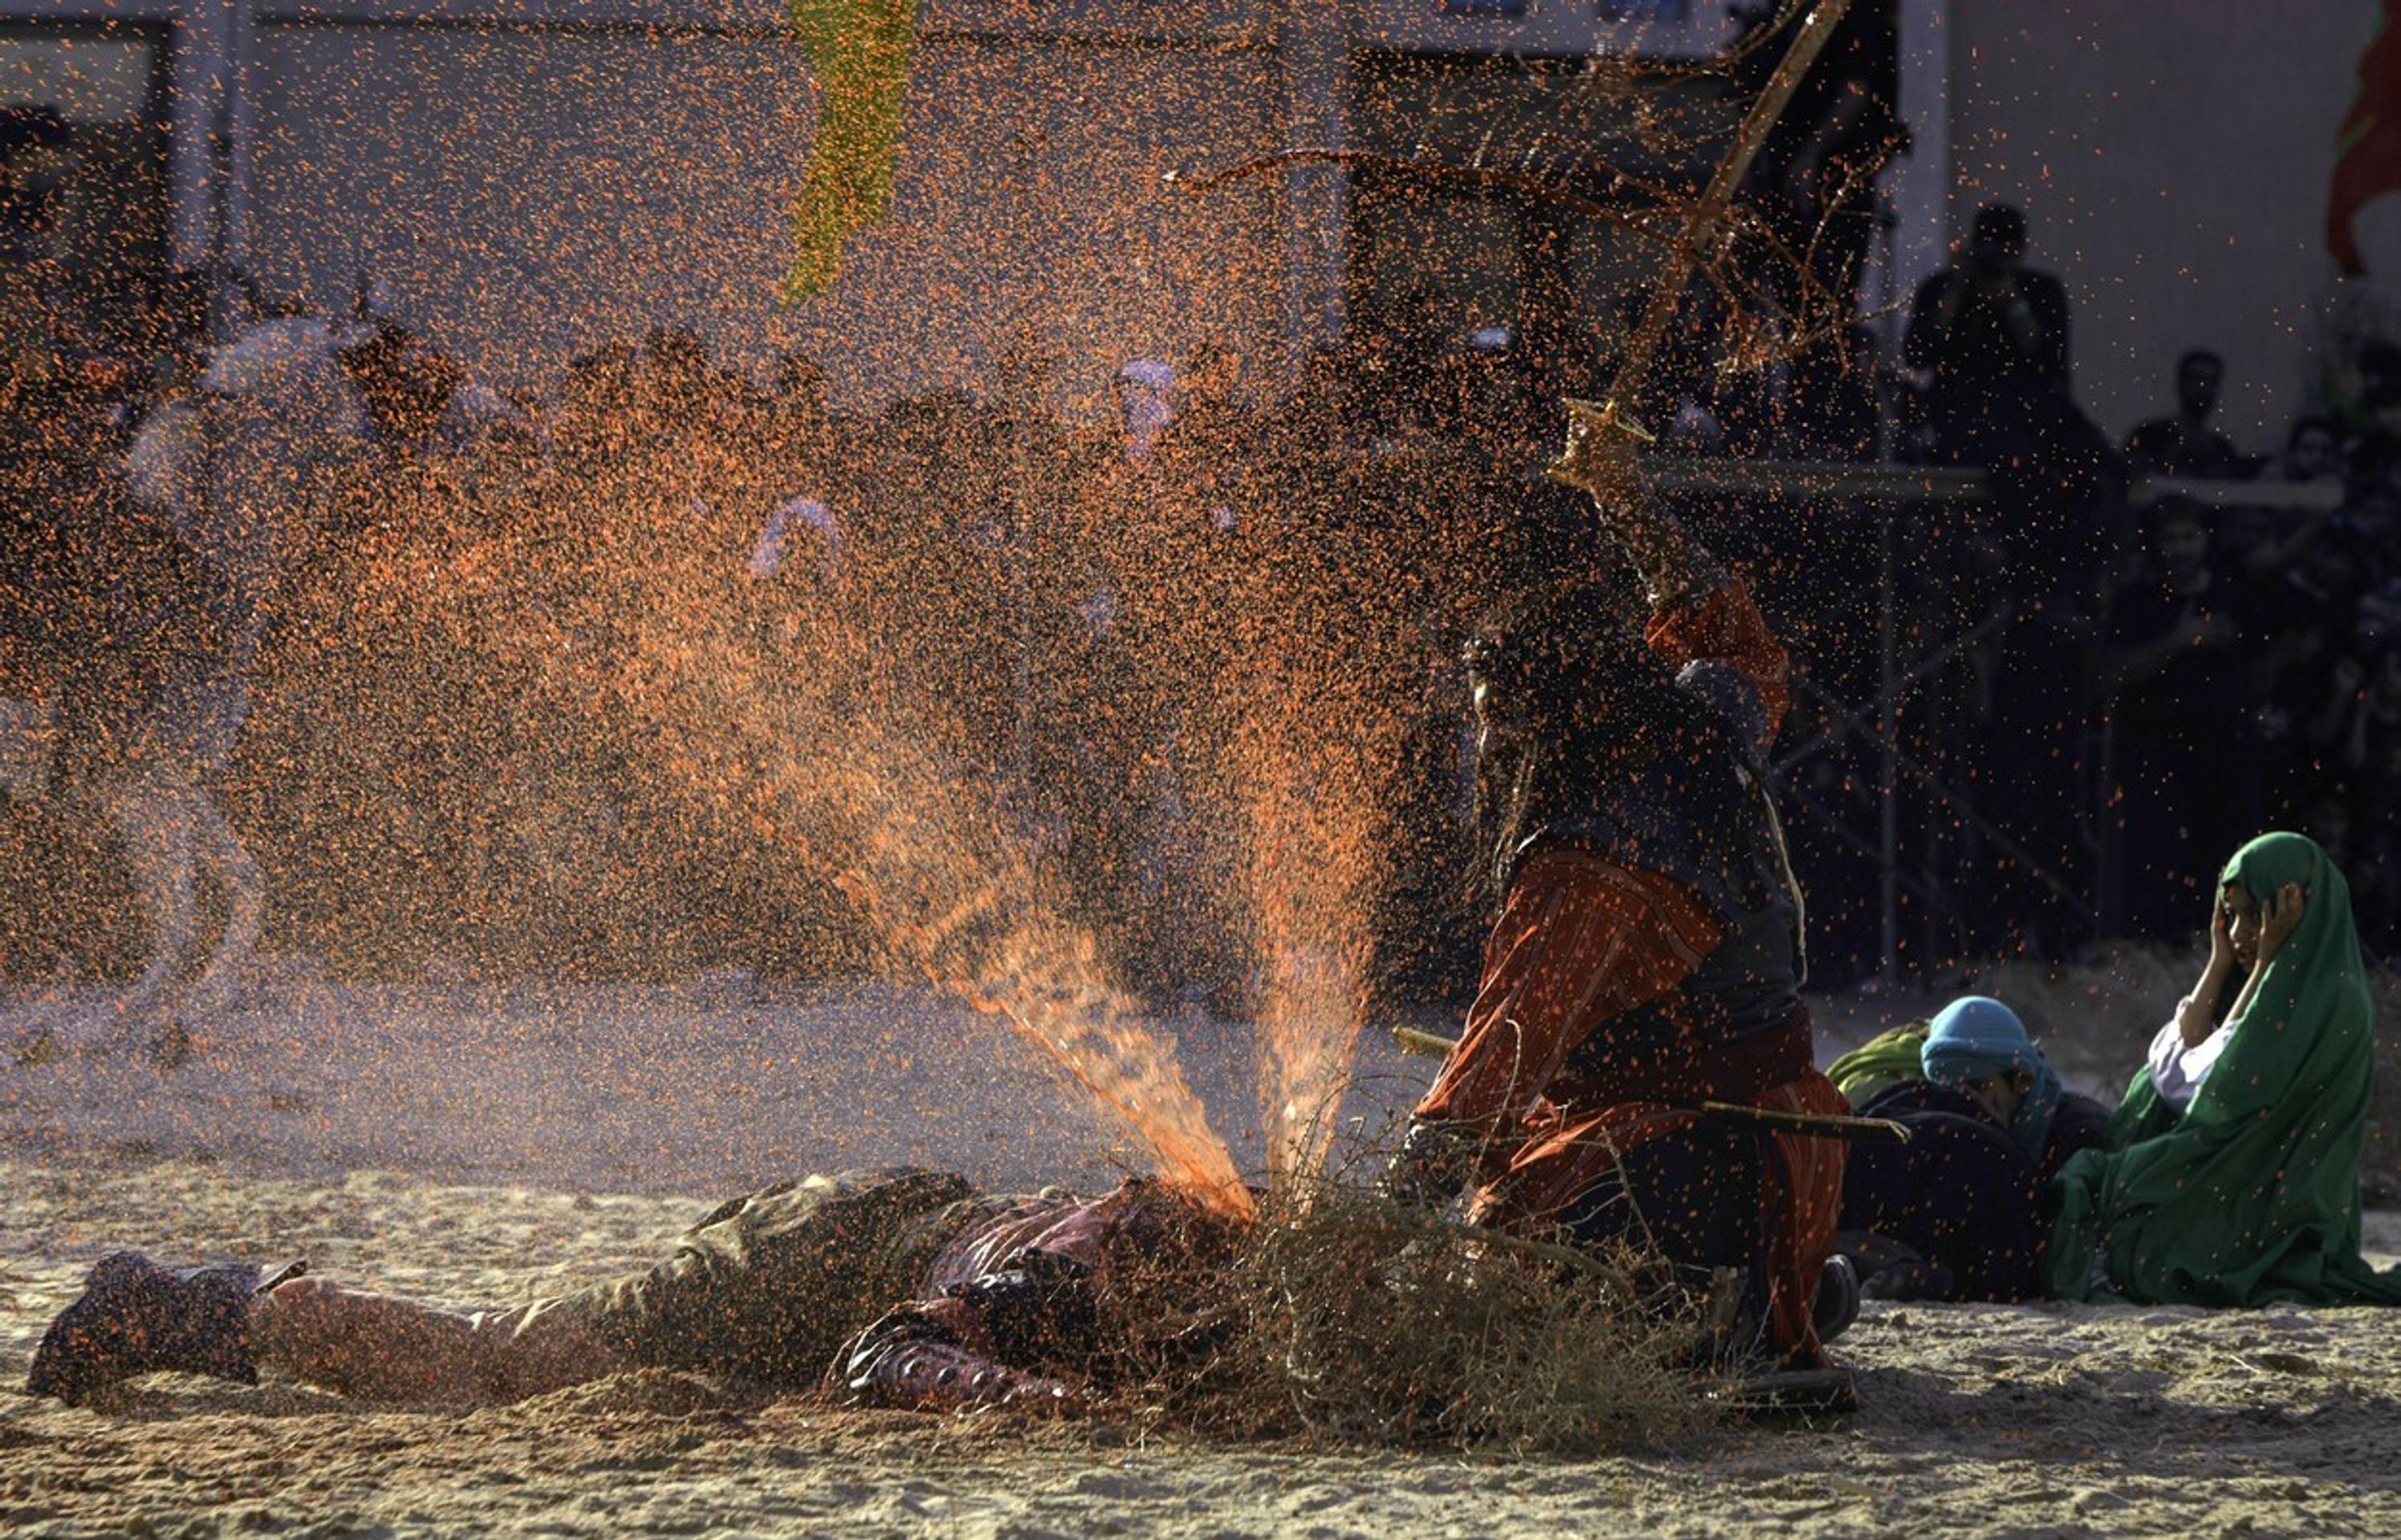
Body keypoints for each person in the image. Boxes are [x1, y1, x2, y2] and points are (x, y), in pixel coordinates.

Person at [1382, 405, 1851, 1393]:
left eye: (1493, 728)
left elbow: (1499, 1056)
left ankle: (1733, 1319)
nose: (1484, 754)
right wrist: (1622, 497)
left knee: (1483, 1263)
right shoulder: (1699, 724)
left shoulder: (1588, 862)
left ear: (1547, 719)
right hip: (1779, 1152)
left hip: (1691, 1158)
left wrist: (1384, 1209)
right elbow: (1730, 630)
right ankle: (1789, 1286)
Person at [26, 1168, 1239, 1409]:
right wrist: (1023, 1403)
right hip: (810, 1263)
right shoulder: (1083, 1267)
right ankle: (194, 1304)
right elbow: (881, 1350)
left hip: (870, 1233)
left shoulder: (1239, 1258)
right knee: (501, 1365)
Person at [2046, 833, 2401, 1306]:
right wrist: (2221, 963)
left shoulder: (2322, 997)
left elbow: (2202, 1087)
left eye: (2257, 915)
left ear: (2299, 908)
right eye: (2231, 915)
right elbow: (2176, 1070)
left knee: (2099, 1185)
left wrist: (2264, 967)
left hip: (2264, 1202)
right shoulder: (2289, 982)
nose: (2238, 934)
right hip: (2239, 1176)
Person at [1832, 997, 2111, 1302]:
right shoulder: (1952, 1123)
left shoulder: (2077, 1131)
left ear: (2018, 1079)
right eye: (1953, 1088)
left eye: (1979, 1087)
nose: (1969, 1102)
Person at [2104, 496, 2267, 938]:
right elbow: (2117, 673)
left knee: (2222, 857)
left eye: (2189, 536)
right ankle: (2153, 952)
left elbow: (2263, 665)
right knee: (2153, 860)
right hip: (2154, 754)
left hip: (2224, 754)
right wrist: (2178, 640)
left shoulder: (2235, 598)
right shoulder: (2136, 603)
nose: (2180, 548)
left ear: (2206, 540)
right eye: (2170, 538)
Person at [2123, 350, 2253, 480]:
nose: (2204, 388)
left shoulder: (2222, 450)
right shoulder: (2148, 436)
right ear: (2180, 385)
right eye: (2197, 379)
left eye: (2211, 382)